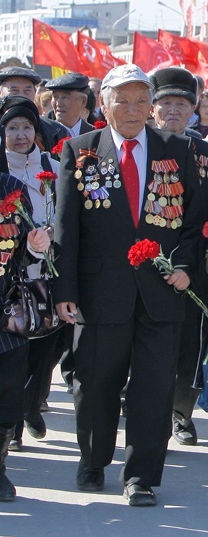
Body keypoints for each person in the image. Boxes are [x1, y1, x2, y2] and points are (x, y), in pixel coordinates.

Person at [53, 64, 207, 507]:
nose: (135, 109)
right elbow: (67, 228)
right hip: (101, 293)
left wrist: (185, 268)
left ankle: (140, 476)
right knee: (96, 382)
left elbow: (196, 220)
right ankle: (94, 459)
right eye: (124, 100)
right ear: (104, 104)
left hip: (162, 290)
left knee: (154, 387)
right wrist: (66, 290)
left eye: (143, 100)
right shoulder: (81, 151)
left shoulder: (178, 150)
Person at [148, 68, 208, 447]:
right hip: (152, 262)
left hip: (198, 264)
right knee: (154, 343)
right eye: (166, 103)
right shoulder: (144, 149)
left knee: (191, 345)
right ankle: (152, 412)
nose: (173, 111)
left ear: (195, 109)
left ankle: (182, 414)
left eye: (182, 104)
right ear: (152, 108)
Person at [1, 96, 60, 452]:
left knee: (44, 343)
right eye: (12, 128)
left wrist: (41, 245)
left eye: (27, 127)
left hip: (28, 277)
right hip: (17, 279)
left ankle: (28, 406)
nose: (21, 135)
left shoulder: (19, 183)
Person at [0, 179, 52, 502]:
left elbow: (26, 262)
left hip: (7, 316)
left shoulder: (11, 188)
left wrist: (34, 248)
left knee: (6, 396)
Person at [0, 67, 70, 153]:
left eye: (27, 91)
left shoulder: (55, 131)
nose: (21, 96)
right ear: (1, 93)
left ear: (35, 92)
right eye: (14, 90)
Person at [47, 73, 95, 137]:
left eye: (65, 97)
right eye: (55, 97)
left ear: (83, 101)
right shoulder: (44, 134)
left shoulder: (94, 134)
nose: (58, 103)